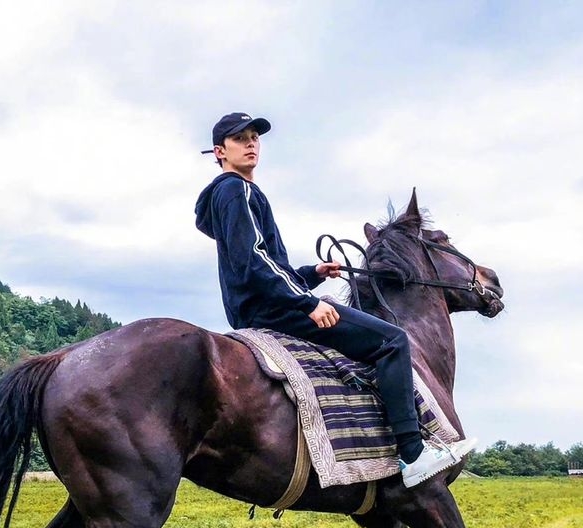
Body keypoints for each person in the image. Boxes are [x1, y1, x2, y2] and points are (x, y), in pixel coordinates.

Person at [194, 112, 477, 487]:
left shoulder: (229, 195)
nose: (251, 144)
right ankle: (413, 453)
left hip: (259, 305)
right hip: (275, 309)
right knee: (393, 341)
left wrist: (312, 274)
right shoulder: (237, 190)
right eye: (239, 139)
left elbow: (261, 266)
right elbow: (254, 260)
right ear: (220, 151)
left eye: (254, 138)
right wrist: (306, 301)